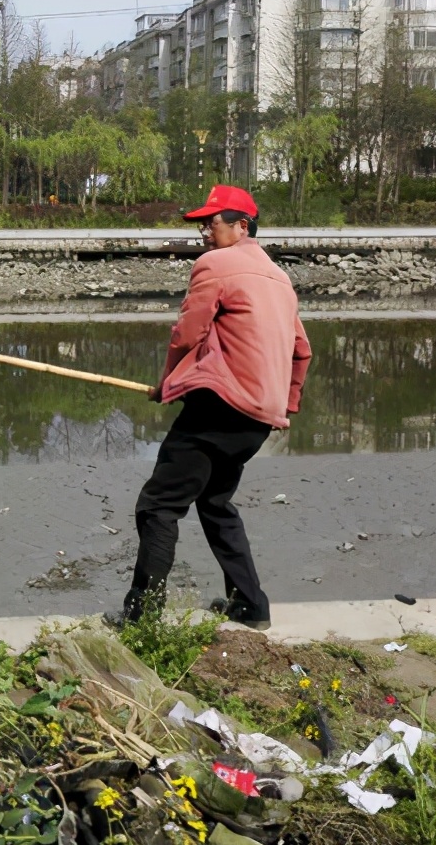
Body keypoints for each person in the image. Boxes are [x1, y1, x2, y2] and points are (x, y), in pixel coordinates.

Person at [106, 184, 311, 631]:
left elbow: (187, 333)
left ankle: (141, 618)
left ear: (243, 225)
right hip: (257, 419)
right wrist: (285, 407)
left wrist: (167, 385)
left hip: (219, 407)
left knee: (158, 504)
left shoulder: (214, 264)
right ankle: (251, 606)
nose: (204, 229)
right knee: (216, 504)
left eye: (212, 221)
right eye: (202, 221)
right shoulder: (280, 278)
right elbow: (301, 351)